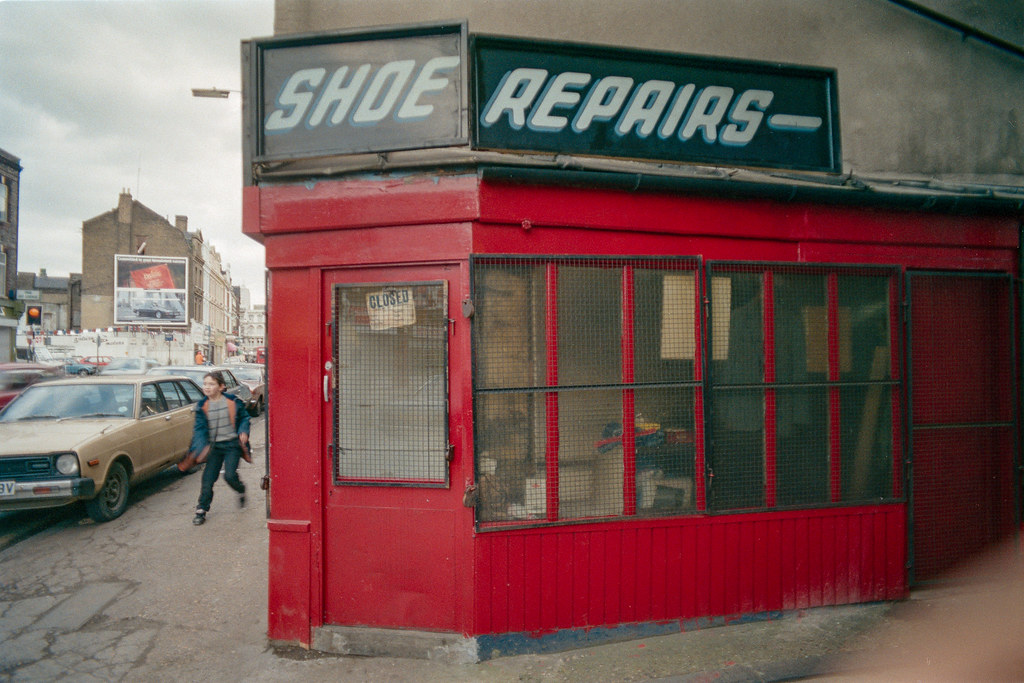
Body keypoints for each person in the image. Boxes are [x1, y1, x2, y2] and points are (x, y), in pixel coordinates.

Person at [186, 371, 251, 526]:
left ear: (221, 387)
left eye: (211, 384)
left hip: (232, 446)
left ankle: (241, 489)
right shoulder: (202, 406)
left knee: (229, 476)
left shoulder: (233, 402)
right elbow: (199, 430)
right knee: (207, 480)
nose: (206, 387)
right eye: (205, 384)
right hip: (215, 447)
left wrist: (243, 431)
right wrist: (199, 449)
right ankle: (201, 510)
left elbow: (244, 417)